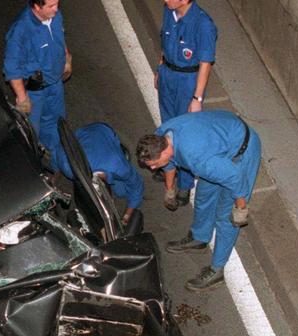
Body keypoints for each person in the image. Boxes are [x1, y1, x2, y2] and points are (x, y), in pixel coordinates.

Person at [136, 110, 261, 291]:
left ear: (166, 150)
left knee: (226, 218)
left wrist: (241, 208)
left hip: (240, 153)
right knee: (203, 196)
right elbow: (169, 163)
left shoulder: (197, 159)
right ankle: (199, 238)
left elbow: (234, 178)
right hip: (218, 142)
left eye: (154, 163)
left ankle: (217, 270)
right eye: (150, 166)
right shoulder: (161, 136)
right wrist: (170, 190)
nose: (153, 168)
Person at [153, 0, 217, 209]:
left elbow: (205, 64)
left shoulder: (203, 24)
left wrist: (197, 98)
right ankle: (168, 168)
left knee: (185, 135)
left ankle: (186, 183)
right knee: (167, 129)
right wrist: (160, 68)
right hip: (168, 76)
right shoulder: (169, 11)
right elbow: (164, 41)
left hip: (187, 82)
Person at [4, 0, 72, 172]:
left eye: (57, 3)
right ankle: (33, 167)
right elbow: (12, 69)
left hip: (55, 84)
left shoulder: (55, 16)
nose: (56, 9)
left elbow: (59, 38)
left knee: (56, 121)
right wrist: (22, 98)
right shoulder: (21, 31)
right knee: (31, 131)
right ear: (36, 7)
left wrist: (66, 58)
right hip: (35, 92)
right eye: (51, 6)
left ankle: (55, 155)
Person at [56, 122, 144, 225]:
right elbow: (60, 149)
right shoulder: (68, 168)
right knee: (120, 191)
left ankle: (117, 147)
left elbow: (137, 185)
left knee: (121, 192)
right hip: (83, 134)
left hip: (102, 130)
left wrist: (127, 216)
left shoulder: (119, 166)